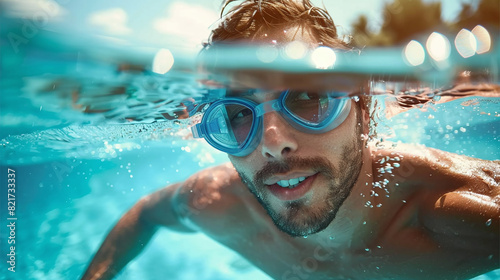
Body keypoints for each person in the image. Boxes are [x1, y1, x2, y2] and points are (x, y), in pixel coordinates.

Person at [81, 0, 500, 279]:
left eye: (307, 98)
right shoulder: (217, 203)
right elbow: (148, 213)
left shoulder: (462, 216)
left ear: (363, 110)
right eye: (236, 115)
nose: (272, 143)